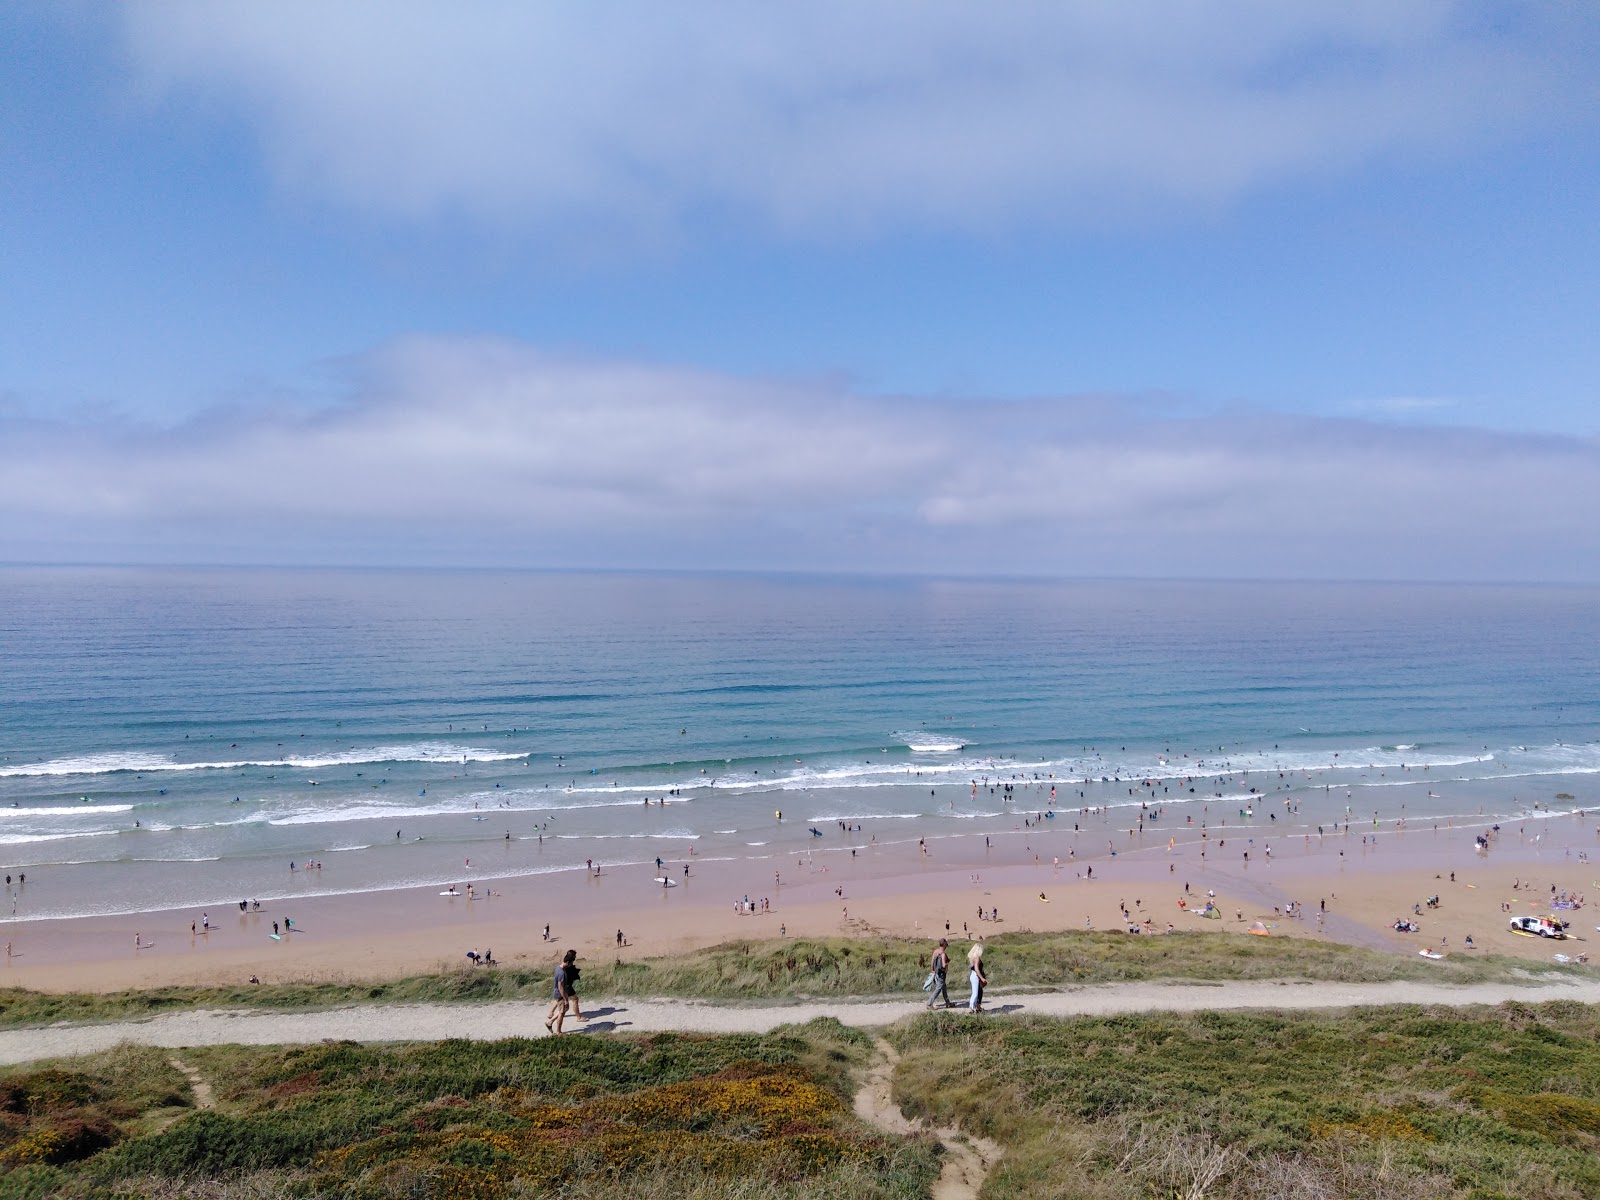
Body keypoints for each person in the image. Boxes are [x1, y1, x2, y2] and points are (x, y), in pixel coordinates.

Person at [546, 949, 578, 1035]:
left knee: (563, 1009)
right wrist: (566, 999)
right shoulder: (562, 973)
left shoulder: (558, 967)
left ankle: (550, 1022)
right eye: (570, 963)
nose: (571, 965)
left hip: (558, 993)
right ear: (567, 962)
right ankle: (558, 1031)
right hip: (560, 995)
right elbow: (561, 988)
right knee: (562, 1013)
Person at [926, 937, 951, 1008]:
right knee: (939, 988)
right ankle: (929, 1003)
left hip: (936, 972)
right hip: (942, 973)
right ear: (944, 945)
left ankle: (948, 1003)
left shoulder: (935, 951)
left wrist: (932, 970)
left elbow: (932, 961)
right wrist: (947, 963)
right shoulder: (943, 954)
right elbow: (943, 965)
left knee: (944, 988)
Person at [967, 941, 987, 1013]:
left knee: (979, 991)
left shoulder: (973, 957)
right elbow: (976, 969)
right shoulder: (977, 958)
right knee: (975, 993)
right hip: (976, 976)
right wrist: (982, 978)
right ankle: (971, 1008)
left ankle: (977, 1007)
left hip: (973, 975)